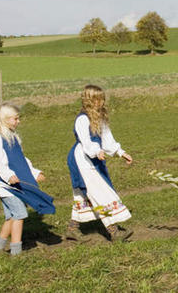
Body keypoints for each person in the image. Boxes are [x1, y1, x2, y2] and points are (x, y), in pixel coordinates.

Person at [65, 84, 134, 242]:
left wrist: (121, 152)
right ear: (89, 100)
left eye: (102, 99)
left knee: (84, 196)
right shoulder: (82, 119)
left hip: (95, 157)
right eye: (97, 99)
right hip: (83, 158)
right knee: (99, 192)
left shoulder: (100, 117)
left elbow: (107, 138)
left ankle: (72, 228)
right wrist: (96, 151)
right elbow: (86, 141)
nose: (100, 102)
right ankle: (114, 232)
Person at [0, 103, 55, 256]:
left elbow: (22, 161)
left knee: (11, 217)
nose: (18, 122)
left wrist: (35, 173)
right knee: (20, 214)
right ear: (5, 119)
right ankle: (16, 251)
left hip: (14, 184)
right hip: (4, 185)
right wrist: (8, 176)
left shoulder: (14, 138)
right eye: (15, 119)